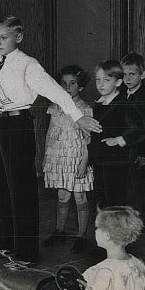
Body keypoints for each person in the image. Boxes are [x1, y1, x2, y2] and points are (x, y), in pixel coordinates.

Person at [0, 15, 101, 266]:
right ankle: (3, 244)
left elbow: (57, 92)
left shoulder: (29, 65)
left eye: (4, 37)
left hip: (18, 126)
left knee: (21, 189)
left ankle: (27, 252)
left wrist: (78, 117)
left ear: (18, 37)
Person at [49, 206, 145, 290]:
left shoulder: (105, 270)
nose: (95, 231)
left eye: (97, 228)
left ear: (107, 235)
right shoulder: (136, 263)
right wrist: (90, 288)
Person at [88, 61, 145, 239]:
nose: (100, 84)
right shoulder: (99, 104)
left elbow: (141, 129)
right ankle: (108, 236)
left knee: (116, 200)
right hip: (101, 160)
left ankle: (119, 238)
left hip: (117, 161)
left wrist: (119, 140)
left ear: (118, 82)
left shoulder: (124, 104)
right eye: (98, 80)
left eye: (106, 80)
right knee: (103, 199)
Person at [42, 65, 94, 251]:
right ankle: (59, 230)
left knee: (80, 197)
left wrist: (84, 162)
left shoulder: (85, 110)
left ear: (80, 87)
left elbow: (89, 140)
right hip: (59, 158)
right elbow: (50, 133)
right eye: (63, 84)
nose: (67, 87)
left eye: (72, 83)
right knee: (62, 195)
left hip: (78, 159)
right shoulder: (55, 108)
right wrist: (47, 156)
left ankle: (81, 235)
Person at [120, 52, 145, 222]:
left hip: (138, 149)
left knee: (138, 187)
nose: (127, 78)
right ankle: (125, 219)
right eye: (124, 74)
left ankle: (140, 220)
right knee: (124, 186)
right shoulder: (120, 94)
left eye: (132, 74)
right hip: (123, 148)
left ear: (143, 75)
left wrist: (143, 154)